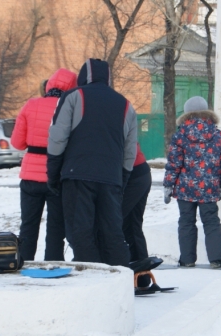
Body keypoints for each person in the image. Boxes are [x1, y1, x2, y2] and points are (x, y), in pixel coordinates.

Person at [47, 58, 138, 267]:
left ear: (82, 76)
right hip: (111, 178)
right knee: (112, 233)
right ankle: (120, 280)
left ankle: (91, 279)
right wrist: (121, 178)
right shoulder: (125, 104)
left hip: (77, 174)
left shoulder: (73, 96)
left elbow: (57, 138)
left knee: (80, 233)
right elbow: (130, 150)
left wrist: (53, 174)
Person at [10, 68, 77, 261]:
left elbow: (17, 143)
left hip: (30, 176)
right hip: (57, 175)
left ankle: (23, 262)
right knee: (56, 226)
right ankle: (53, 263)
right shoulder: (69, 108)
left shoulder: (31, 105)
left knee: (28, 225)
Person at [163, 96, 221, 269]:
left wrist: (168, 185)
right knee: (211, 221)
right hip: (209, 188)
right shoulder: (218, 136)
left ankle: (187, 259)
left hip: (184, 188)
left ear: (187, 113)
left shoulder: (180, 135)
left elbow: (174, 163)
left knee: (186, 221)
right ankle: (217, 258)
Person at [123, 143, 152, 287]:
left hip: (130, 173)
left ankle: (121, 273)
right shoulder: (125, 120)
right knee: (132, 226)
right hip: (141, 171)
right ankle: (142, 278)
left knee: (111, 224)